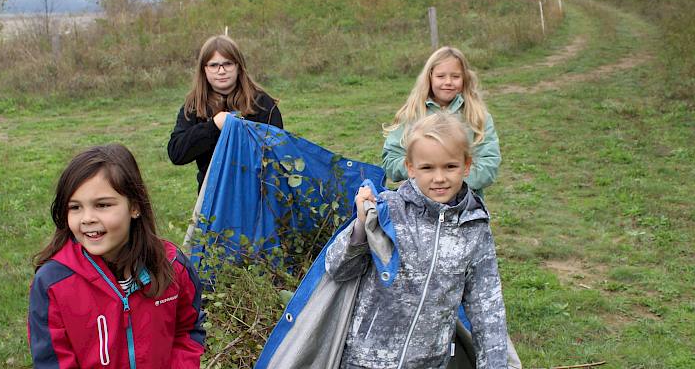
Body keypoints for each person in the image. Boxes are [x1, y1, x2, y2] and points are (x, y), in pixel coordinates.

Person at [326, 112, 508, 368]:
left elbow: (487, 308)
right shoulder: (387, 211)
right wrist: (360, 227)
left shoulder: (474, 227)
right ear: (410, 168)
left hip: (429, 363)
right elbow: (337, 269)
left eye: (450, 166)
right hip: (365, 360)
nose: (439, 178)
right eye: (427, 167)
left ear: (466, 165)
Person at [28, 144, 205, 368]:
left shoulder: (171, 265)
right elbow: (51, 361)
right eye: (75, 207)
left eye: (102, 205)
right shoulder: (53, 283)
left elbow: (188, 330)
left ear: (135, 207)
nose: (87, 218)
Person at [168, 35, 283, 191]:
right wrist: (213, 126)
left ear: (238, 66)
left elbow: (278, 152)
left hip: (256, 192)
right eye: (214, 65)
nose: (221, 71)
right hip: (213, 196)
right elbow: (177, 153)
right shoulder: (194, 106)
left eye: (227, 64)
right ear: (205, 69)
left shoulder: (261, 103)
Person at [382, 46, 500, 198]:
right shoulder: (411, 114)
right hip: (418, 207)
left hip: (465, 207)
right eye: (441, 76)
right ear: (429, 77)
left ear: (464, 78)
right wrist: (423, 174)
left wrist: (452, 183)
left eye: (455, 76)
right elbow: (391, 160)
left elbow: (489, 164)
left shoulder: (478, 116)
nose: (448, 82)